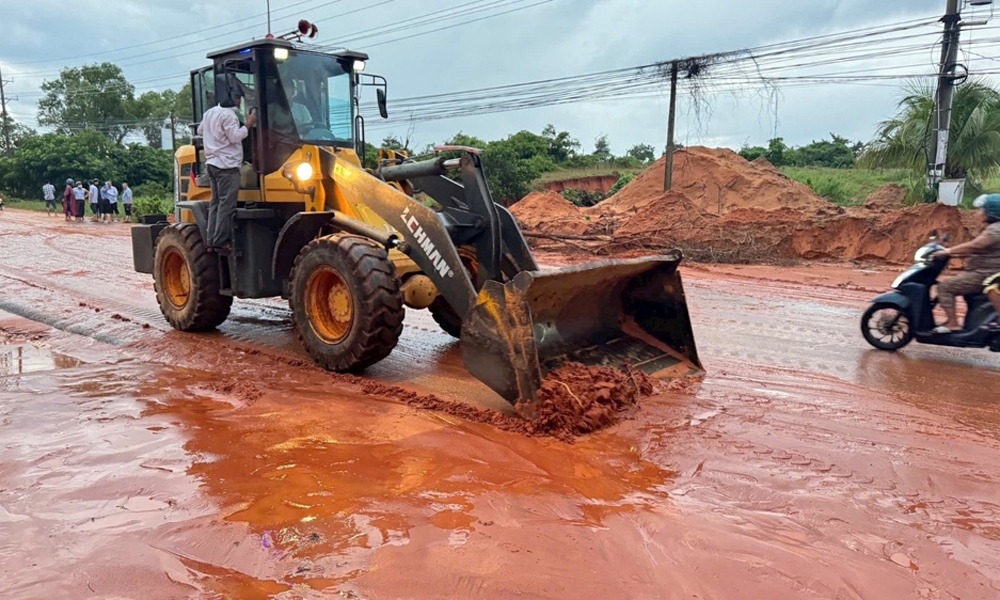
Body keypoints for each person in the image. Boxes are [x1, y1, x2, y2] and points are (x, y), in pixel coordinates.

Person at [197, 87, 256, 252]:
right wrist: (249, 124)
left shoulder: (210, 113)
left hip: (212, 164)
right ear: (231, 98)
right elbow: (235, 137)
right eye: (237, 97)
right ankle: (220, 240)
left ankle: (211, 239)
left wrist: (214, 138)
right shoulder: (229, 115)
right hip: (227, 165)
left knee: (215, 202)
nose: (239, 101)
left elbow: (200, 130)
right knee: (227, 204)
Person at [932, 194, 1000, 334]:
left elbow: (975, 246)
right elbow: (978, 250)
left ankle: (953, 324)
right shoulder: (992, 228)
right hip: (982, 271)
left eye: (982, 210)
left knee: (945, 287)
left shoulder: (995, 231)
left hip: (984, 274)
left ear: (991, 213)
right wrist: (952, 253)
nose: (978, 213)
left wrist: (947, 251)